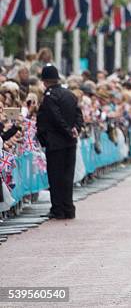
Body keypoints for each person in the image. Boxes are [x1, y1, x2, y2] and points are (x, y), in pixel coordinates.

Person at [36, 64, 83, 219]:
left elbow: (55, 118)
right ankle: (68, 208)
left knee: (56, 178)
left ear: (44, 81)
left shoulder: (49, 96)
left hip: (56, 142)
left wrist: (67, 130)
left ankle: (58, 209)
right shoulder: (69, 94)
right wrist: (76, 129)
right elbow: (78, 115)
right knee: (67, 177)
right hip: (71, 142)